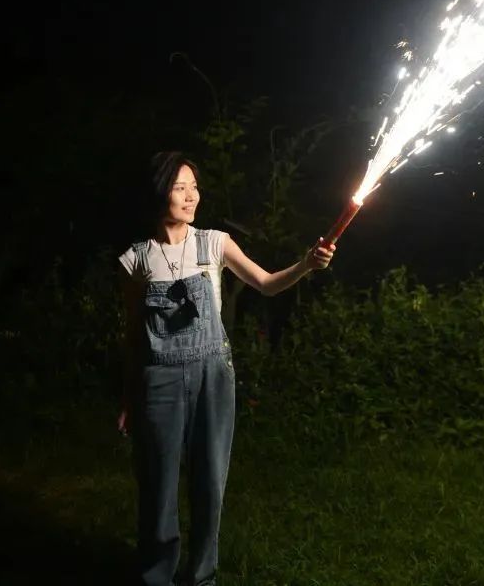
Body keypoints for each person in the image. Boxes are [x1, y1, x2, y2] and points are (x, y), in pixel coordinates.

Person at [117, 151, 334, 586]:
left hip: (212, 376)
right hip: (157, 380)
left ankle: (201, 578)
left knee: (209, 484)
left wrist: (306, 264)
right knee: (158, 486)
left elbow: (266, 284)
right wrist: (128, 396)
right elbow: (132, 334)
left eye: (194, 187)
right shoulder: (136, 259)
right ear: (159, 192)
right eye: (180, 187)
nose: (191, 196)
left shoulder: (214, 243)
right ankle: (156, 576)